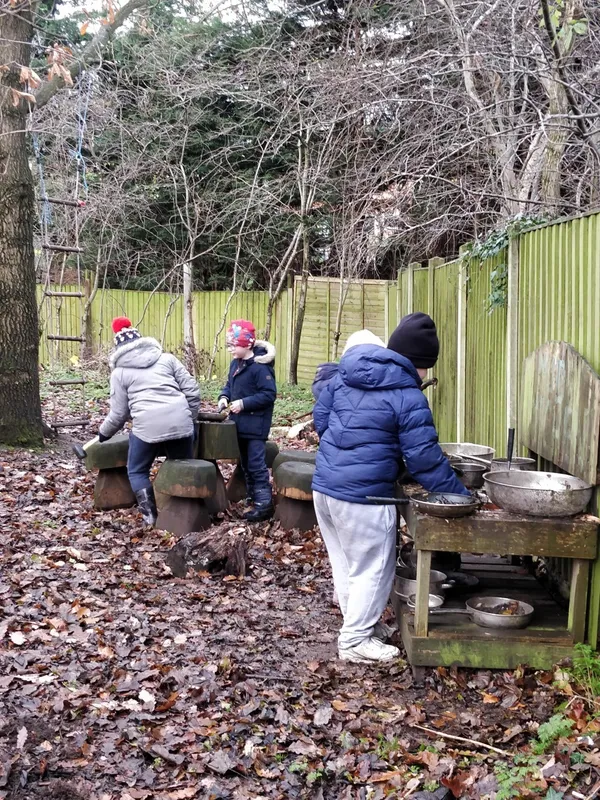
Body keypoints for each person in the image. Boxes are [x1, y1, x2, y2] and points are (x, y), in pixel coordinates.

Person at [312, 313, 469, 664]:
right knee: (373, 566)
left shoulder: (346, 373)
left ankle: (359, 626)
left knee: (346, 564)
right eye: (428, 367)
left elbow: (321, 419)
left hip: (324, 489)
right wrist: (459, 495)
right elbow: (425, 459)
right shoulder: (407, 393)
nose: (427, 375)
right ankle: (354, 641)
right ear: (421, 364)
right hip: (364, 497)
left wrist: (348, 451)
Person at [97, 317, 201, 526]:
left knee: (137, 470)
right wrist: (190, 417)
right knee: (181, 466)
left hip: (147, 428)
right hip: (180, 422)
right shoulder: (167, 359)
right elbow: (192, 391)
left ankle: (150, 517)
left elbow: (118, 413)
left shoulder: (119, 373)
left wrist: (104, 433)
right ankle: (182, 516)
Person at [217, 319, 276, 522]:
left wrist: (243, 403)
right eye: (229, 346)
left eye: (234, 345)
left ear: (248, 344)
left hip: (256, 426)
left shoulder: (261, 368)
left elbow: (268, 395)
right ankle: (252, 497)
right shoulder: (236, 363)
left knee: (256, 464)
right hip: (239, 425)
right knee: (244, 463)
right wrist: (224, 397)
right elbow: (229, 385)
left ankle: (264, 504)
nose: (230, 349)